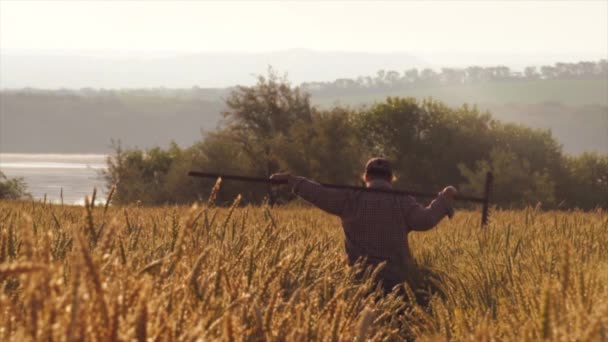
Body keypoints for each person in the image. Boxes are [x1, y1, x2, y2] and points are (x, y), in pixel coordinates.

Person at [270, 157, 457, 293]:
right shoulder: (402, 201)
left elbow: (318, 193)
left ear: (366, 177)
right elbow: (425, 220)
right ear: (391, 178)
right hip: (397, 280)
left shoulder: (351, 197)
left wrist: (291, 180)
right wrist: (444, 198)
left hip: (359, 281)